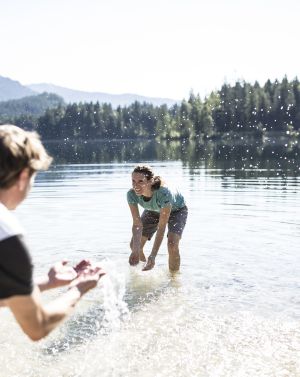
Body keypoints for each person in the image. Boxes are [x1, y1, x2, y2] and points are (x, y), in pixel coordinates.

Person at [0, 124, 105, 341]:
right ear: (23, 176)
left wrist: (47, 283)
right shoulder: (7, 237)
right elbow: (37, 327)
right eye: (33, 177)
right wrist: (79, 289)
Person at [127, 165, 188, 272]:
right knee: (134, 245)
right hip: (152, 211)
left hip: (177, 210)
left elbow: (161, 227)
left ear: (150, 181)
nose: (136, 186)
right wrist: (136, 251)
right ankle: (145, 272)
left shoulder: (164, 193)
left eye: (141, 181)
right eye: (133, 181)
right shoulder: (131, 194)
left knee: (172, 244)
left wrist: (153, 256)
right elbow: (137, 225)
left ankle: (174, 279)